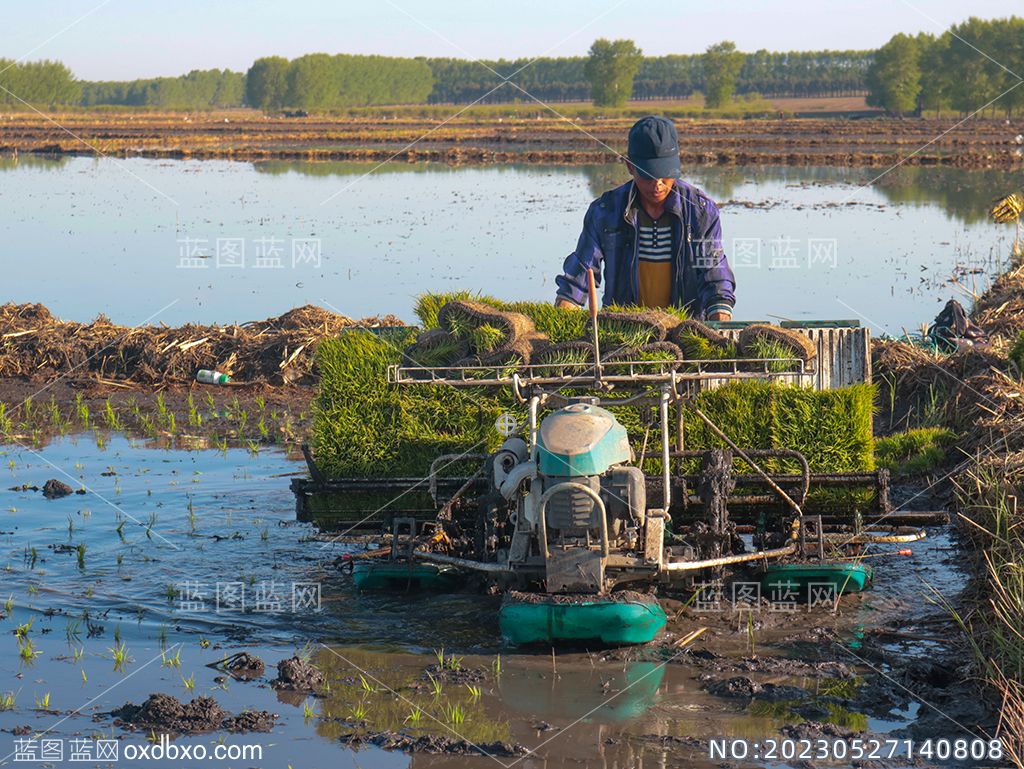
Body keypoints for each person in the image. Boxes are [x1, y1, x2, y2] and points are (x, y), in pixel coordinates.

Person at [554, 115, 736, 320]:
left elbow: (714, 274)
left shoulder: (700, 211)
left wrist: (720, 321)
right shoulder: (605, 211)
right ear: (630, 167)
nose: (657, 183)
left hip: (685, 330)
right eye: (648, 175)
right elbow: (579, 276)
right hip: (622, 329)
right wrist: (564, 315)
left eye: (665, 174)